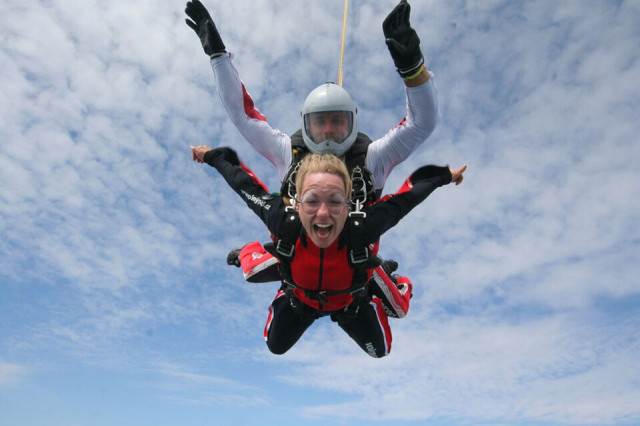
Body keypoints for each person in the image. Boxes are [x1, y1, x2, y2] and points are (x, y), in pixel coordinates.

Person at [186, 0, 440, 289]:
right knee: (258, 274)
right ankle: (248, 253)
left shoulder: (372, 158)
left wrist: (412, 69)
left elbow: (422, 124)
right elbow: (243, 116)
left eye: (337, 121)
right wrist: (218, 55)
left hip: (350, 270)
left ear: (352, 123)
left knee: (391, 304)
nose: (328, 130)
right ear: (306, 124)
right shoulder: (289, 152)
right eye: (320, 122)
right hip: (297, 263)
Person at [191, 144, 466, 358]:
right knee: (272, 334)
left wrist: (445, 176)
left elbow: (408, 198)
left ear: (348, 205)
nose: (323, 214)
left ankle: (389, 277)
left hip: (352, 299)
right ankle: (250, 253)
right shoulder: (283, 221)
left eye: (334, 202)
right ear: (297, 205)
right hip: (300, 296)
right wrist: (212, 156)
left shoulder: (363, 228)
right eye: (312, 201)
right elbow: (243, 184)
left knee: (389, 332)